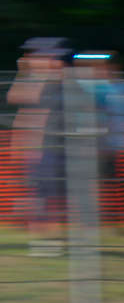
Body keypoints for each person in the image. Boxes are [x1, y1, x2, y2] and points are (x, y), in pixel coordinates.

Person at [7, 38, 70, 256]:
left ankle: (47, 242)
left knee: (48, 197)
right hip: (37, 148)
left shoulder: (55, 78)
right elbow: (16, 101)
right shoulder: (37, 79)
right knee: (41, 196)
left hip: (52, 147)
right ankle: (44, 244)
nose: (27, 59)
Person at [76, 52, 124, 226]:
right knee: (102, 184)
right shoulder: (94, 88)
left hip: (121, 146)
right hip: (102, 145)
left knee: (120, 185)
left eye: (104, 67)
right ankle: (100, 220)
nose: (101, 71)